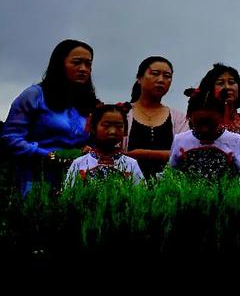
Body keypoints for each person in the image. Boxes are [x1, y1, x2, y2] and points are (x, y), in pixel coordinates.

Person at [2, 39, 97, 194]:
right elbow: (10, 138)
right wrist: (47, 155)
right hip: (35, 181)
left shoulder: (89, 102)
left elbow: (92, 140)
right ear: (59, 64)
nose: (83, 69)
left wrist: (89, 149)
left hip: (76, 183)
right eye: (77, 62)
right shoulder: (34, 95)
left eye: (88, 64)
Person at [124, 56, 187, 179]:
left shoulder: (179, 118)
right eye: (155, 74)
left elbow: (184, 153)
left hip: (168, 187)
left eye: (167, 76)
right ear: (139, 78)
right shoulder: (122, 113)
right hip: (126, 185)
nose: (161, 80)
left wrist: (140, 154)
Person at [168, 88, 240, 181]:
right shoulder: (181, 140)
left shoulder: (234, 140)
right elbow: (171, 172)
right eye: (199, 123)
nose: (204, 129)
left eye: (210, 123)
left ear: (222, 116)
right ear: (189, 116)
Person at [64, 102, 144, 186]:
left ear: (125, 130)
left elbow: (141, 195)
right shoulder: (79, 163)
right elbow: (68, 195)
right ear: (93, 128)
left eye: (119, 126)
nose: (113, 131)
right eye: (106, 125)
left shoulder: (131, 164)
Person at [193, 63, 240, 152]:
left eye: (231, 82)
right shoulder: (199, 121)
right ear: (209, 89)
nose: (227, 87)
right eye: (220, 83)